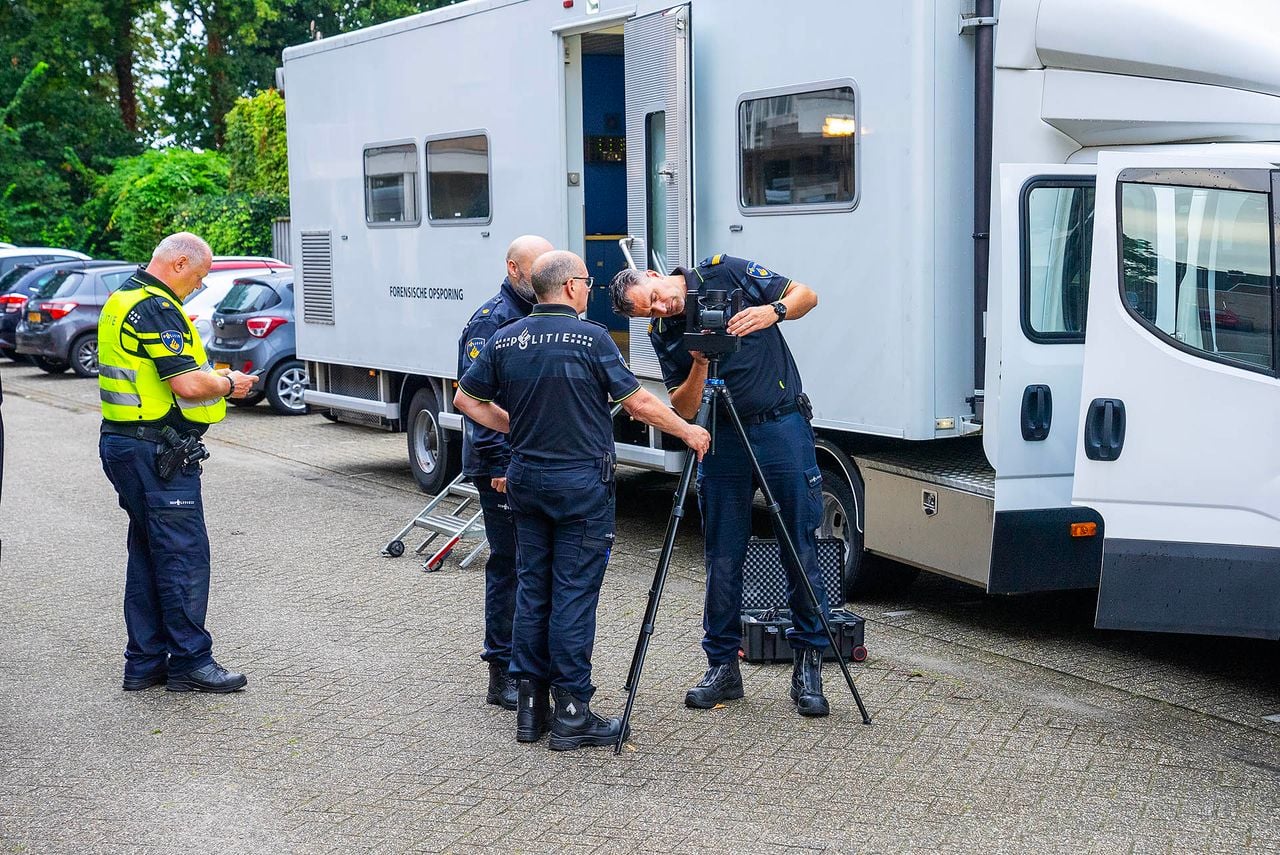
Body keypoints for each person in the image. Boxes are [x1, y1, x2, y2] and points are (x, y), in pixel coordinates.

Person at [455, 250, 710, 751]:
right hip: (580, 487)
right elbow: (637, 401)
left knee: (533, 589)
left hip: (526, 481)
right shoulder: (590, 338)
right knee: (573, 594)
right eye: (588, 282)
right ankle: (572, 712)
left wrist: (515, 427)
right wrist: (688, 431)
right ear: (571, 286)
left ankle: (530, 709)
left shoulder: (507, 337)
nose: (590, 289)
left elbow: (466, 399)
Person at [608, 254, 831, 717]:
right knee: (722, 555)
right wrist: (699, 364)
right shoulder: (664, 332)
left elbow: (807, 295)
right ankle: (722, 666)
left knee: (799, 544)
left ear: (654, 276)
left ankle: (809, 665)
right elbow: (685, 408)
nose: (661, 308)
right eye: (650, 311)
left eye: (655, 298)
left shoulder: (725, 272)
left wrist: (773, 311)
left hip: (779, 425)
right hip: (721, 438)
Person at [97, 232, 259, 693]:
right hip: (156, 451)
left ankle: (145, 662)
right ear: (180, 263)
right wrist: (229, 384)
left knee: (149, 553)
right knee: (183, 556)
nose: (199, 285)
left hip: (128, 443)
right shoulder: (155, 307)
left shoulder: (122, 298)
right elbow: (186, 384)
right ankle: (191, 662)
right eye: (200, 276)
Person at [456, 234, 553, 711]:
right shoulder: (491, 322)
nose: (545, 277)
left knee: (533, 566)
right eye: (536, 269)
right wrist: (503, 463)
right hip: (503, 464)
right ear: (513, 269)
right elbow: (477, 401)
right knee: (510, 566)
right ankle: (502, 672)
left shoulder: (542, 315)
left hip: (533, 461)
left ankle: (532, 663)